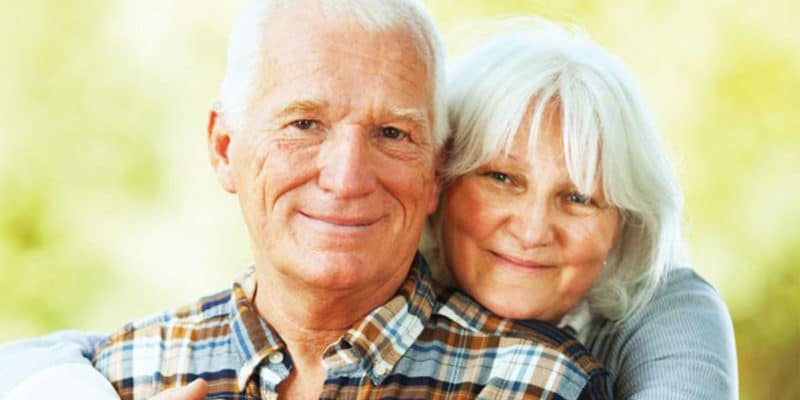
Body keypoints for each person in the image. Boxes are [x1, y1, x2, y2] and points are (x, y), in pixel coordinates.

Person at [0, 2, 612, 400]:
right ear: (224, 147)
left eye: (392, 134)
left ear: (434, 174)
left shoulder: (537, 383)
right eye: (304, 124)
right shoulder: (117, 375)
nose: (346, 178)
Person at [422, 20, 738, 398]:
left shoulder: (669, 310)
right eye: (502, 178)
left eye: (578, 198)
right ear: (441, 177)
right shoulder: (380, 281)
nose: (533, 231)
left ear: (625, 223)